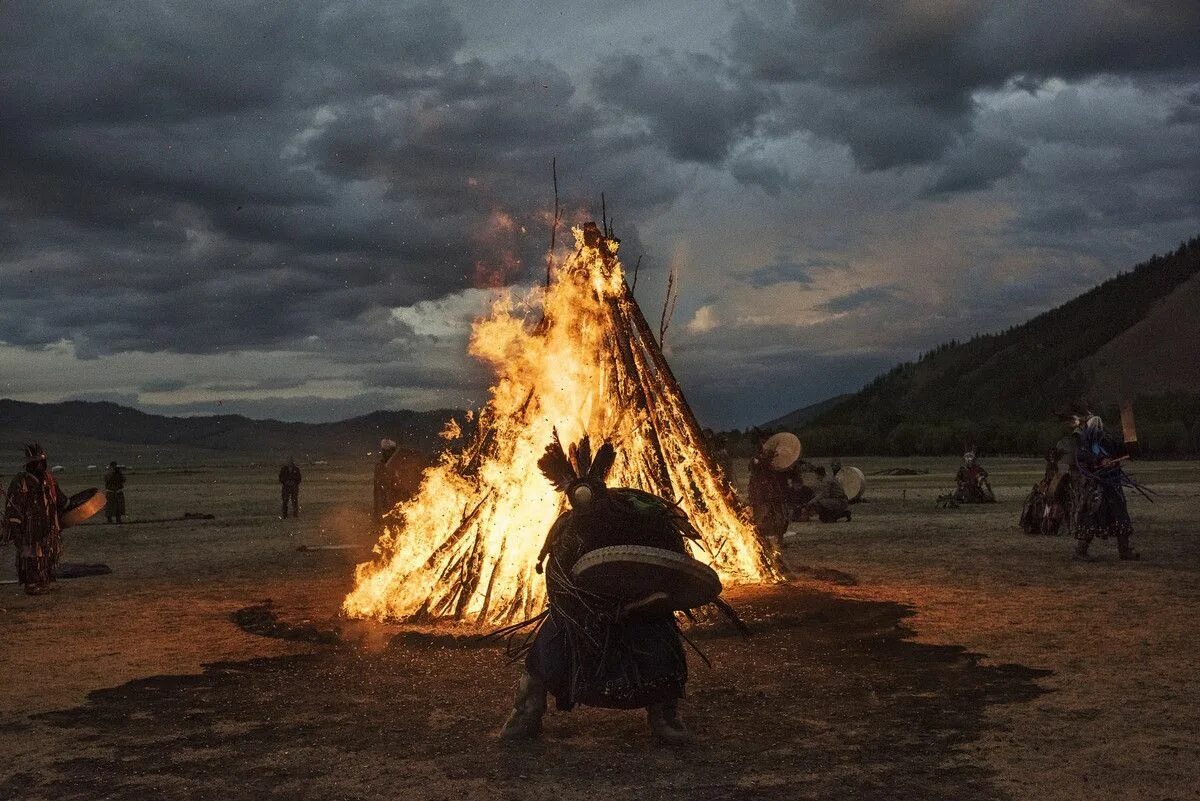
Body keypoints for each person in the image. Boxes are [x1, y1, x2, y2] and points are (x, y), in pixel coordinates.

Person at [499, 436, 695, 743]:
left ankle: (665, 713)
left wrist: (642, 600)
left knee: (661, 650)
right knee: (547, 649)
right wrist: (580, 605)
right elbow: (557, 577)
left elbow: (668, 564)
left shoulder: (638, 518)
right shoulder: (566, 529)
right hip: (582, 611)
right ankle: (527, 709)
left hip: (642, 607)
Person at [1068, 413, 1141, 561]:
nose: (1097, 427)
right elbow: (1081, 456)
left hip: (1112, 483)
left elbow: (1123, 450)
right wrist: (1099, 460)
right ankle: (1080, 551)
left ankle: (1124, 550)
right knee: (1091, 516)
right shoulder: (1084, 441)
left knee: (1121, 513)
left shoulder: (1107, 440)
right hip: (1095, 485)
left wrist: (1130, 445)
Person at [2, 444, 68, 595]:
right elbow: (13, 509)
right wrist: (16, 531)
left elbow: (61, 500)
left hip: (48, 525)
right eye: (36, 462)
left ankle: (46, 580)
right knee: (30, 554)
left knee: (47, 553)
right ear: (30, 464)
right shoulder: (20, 481)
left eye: (41, 462)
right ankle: (32, 584)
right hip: (29, 527)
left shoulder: (49, 479)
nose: (40, 465)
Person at [747, 437, 790, 550]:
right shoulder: (756, 460)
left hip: (773, 493)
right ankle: (757, 541)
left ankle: (779, 541)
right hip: (760, 494)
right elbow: (756, 467)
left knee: (781, 518)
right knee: (760, 518)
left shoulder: (773, 462)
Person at [373, 439, 427, 526]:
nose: (386, 453)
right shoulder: (380, 467)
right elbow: (377, 489)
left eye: (389, 451)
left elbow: (405, 485)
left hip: (397, 499)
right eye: (385, 451)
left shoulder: (398, 464)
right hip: (387, 498)